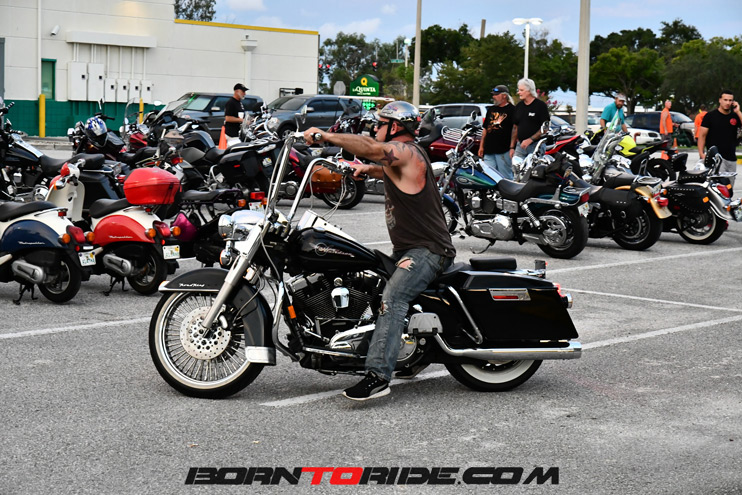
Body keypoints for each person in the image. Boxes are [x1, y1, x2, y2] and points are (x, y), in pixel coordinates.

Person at [303, 101, 456, 401]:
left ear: (395, 127)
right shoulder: (403, 158)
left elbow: (374, 149)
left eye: (380, 124)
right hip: (409, 249)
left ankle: (378, 376)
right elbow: (388, 168)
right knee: (367, 279)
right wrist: (367, 170)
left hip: (429, 251)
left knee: (393, 298)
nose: (375, 129)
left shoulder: (408, 152)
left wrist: (326, 136)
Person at [697, 89, 742, 187]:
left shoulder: (735, 116)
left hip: (731, 159)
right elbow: (702, 136)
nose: (728, 103)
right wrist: (701, 154)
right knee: (718, 188)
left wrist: (738, 111)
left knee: (729, 189)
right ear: (720, 100)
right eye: (725, 100)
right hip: (716, 159)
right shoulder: (710, 116)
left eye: (730, 100)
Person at [478, 85, 516, 180]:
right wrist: (481, 146)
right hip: (489, 149)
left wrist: (512, 147)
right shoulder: (491, 109)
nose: (493, 97)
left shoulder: (512, 110)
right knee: (489, 176)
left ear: (504, 96)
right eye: (493, 95)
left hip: (504, 150)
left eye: (496, 94)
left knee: (505, 176)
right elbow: (485, 129)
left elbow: (515, 130)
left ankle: (507, 190)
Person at [512, 78, 550, 161]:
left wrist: (530, 140)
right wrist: (511, 147)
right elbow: (515, 127)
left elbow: (545, 128)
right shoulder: (519, 106)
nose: (518, 92)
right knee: (516, 167)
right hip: (520, 146)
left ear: (529, 91)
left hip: (536, 146)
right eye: (518, 90)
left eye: (521, 90)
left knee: (533, 169)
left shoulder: (540, 106)